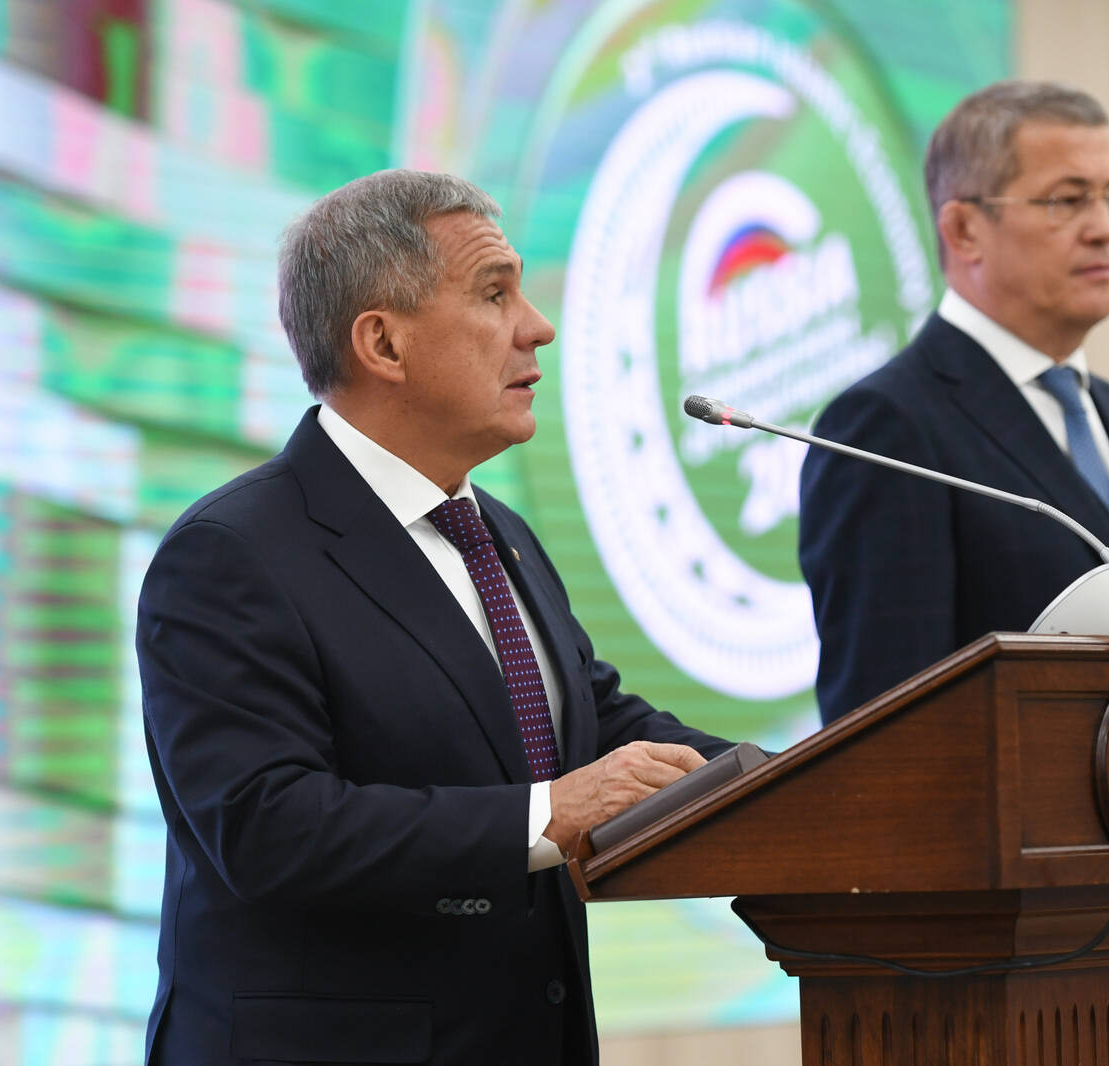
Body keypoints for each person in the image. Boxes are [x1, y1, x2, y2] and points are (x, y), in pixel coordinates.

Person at [136, 170, 733, 1066]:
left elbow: (589, 724)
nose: (538, 326)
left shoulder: (499, 530)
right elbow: (266, 828)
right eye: (495, 294)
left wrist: (796, 782)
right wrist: (546, 817)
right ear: (383, 342)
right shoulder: (231, 553)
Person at [798, 81, 1109, 1066]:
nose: (1105, 228)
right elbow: (885, 731)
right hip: (1006, 976)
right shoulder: (889, 426)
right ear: (963, 228)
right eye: (1066, 200)